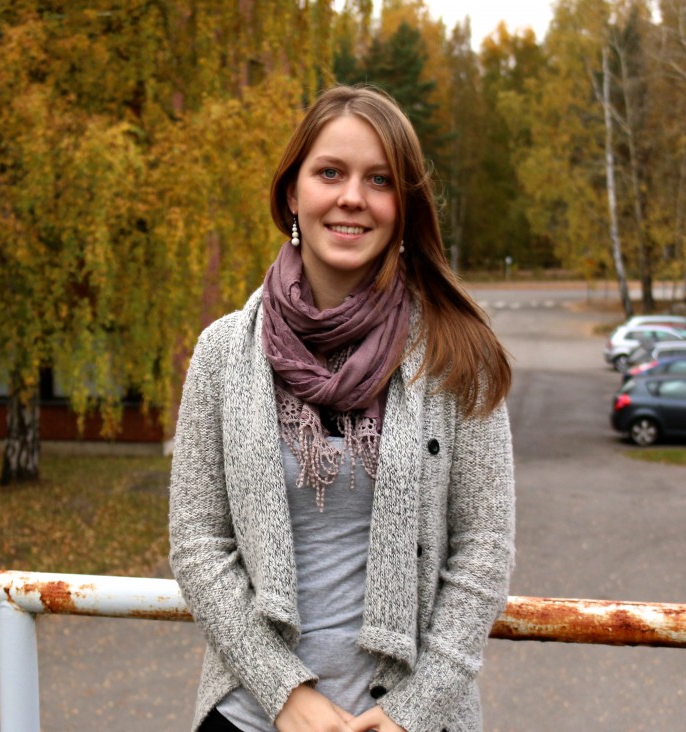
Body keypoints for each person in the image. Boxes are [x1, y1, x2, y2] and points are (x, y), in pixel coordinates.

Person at [168, 85, 515, 732]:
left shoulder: (455, 352)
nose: (352, 196)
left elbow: (484, 549)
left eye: (379, 180)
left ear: (402, 207)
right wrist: (284, 693)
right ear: (292, 194)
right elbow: (197, 543)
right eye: (330, 172)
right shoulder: (223, 353)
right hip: (252, 716)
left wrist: (411, 711)